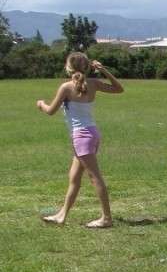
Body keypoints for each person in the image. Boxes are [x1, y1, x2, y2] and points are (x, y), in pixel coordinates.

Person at [35, 52, 124, 228]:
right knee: (74, 177)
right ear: (88, 66)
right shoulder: (94, 84)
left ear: (68, 67)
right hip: (91, 134)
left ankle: (106, 218)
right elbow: (118, 88)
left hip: (82, 137)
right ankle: (62, 215)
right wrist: (104, 71)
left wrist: (41, 104)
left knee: (94, 177)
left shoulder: (66, 87)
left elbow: (50, 111)